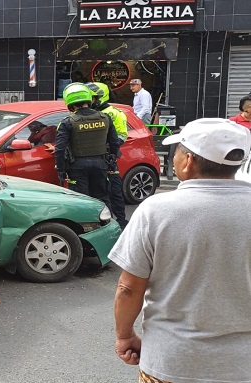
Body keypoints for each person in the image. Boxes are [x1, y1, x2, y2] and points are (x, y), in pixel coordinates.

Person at [109, 118, 251, 383]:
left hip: (171, 361)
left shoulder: (156, 211)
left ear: (187, 162)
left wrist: (124, 336)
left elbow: (128, 288)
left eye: (178, 153)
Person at [54, 83, 120, 206]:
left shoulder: (68, 122)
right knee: (102, 199)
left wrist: (62, 171)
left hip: (77, 166)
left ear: (69, 102)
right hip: (101, 164)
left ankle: (84, 225)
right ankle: (106, 223)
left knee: (80, 200)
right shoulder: (105, 118)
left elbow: (60, 149)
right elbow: (114, 143)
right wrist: (112, 164)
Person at [86, 82, 129, 228]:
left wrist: (107, 147)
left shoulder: (115, 113)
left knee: (114, 190)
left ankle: (121, 221)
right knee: (97, 191)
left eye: (91, 97)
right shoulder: (86, 114)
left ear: (100, 97)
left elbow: (123, 134)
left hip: (108, 158)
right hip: (93, 158)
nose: (88, 101)